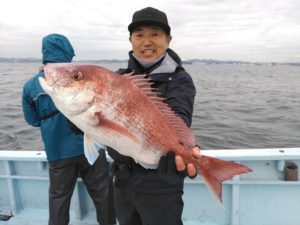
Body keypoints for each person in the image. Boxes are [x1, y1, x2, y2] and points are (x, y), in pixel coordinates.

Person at [107, 7, 201, 225]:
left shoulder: (180, 80)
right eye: (139, 35)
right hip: (122, 180)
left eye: (155, 34)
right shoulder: (118, 79)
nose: (146, 41)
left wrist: (183, 149)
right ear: (130, 40)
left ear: (168, 39)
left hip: (162, 182)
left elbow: (180, 118)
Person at [22, 33, 116, 225]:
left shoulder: (31, 86)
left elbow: (32, 120)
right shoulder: (80, 77)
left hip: (57, 151)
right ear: (67, 51)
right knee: (103, 194)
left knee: (59, 198)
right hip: (90, 146)